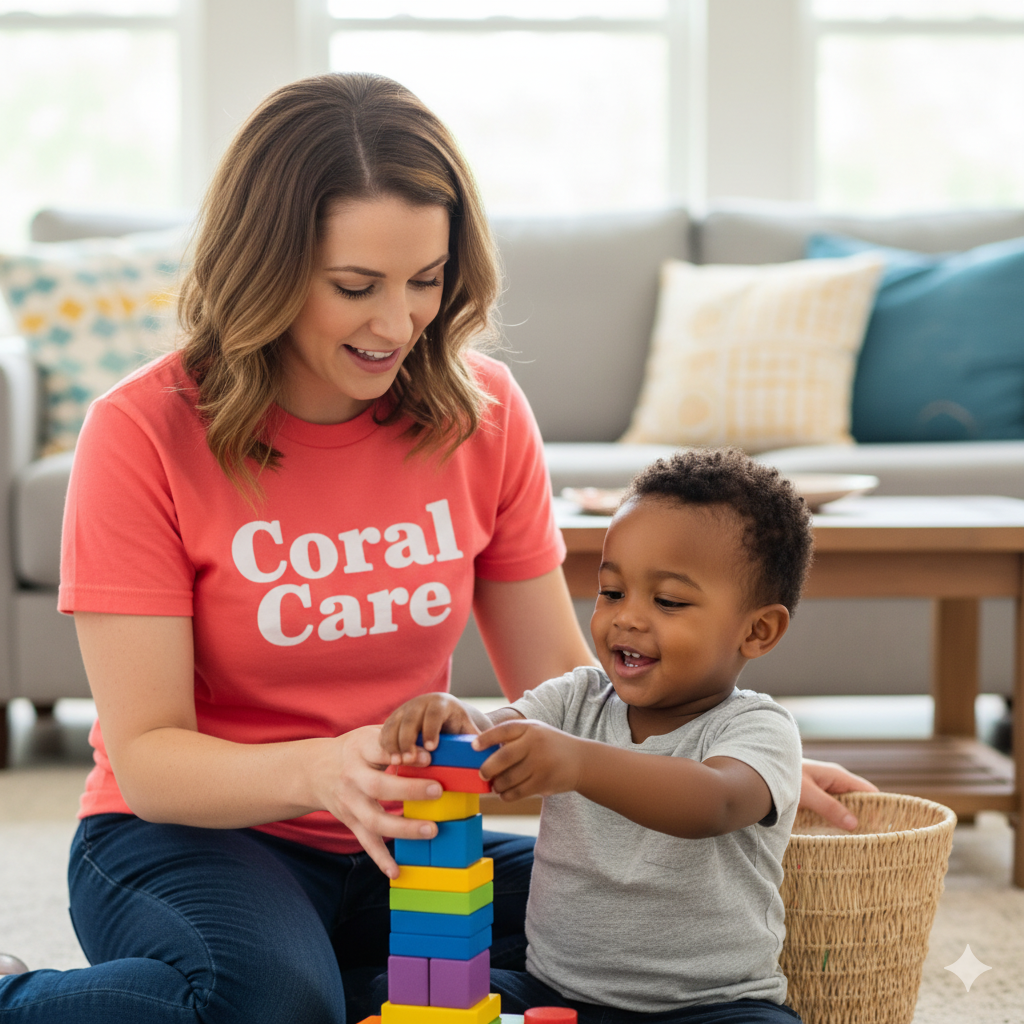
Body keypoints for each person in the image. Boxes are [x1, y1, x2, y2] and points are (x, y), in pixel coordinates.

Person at [0, 74, 873, 1022]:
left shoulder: (481, 414)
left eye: (427, 280)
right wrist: (317, 769)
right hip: (192, 835)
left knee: (650, 916)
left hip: (415, 836)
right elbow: (151, 758)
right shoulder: (144, 432)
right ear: (264, 267)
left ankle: (356, 988)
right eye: (354, 286)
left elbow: (566, 684)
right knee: (270, 1001)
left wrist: (711, 755)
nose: (397, 323)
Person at [378, 448, 821, 1023]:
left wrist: (580, 764)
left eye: (667, 601)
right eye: (612, 592)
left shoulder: (757, 727)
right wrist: (453, 717)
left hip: (709, 1006)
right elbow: (497, 733)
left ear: (758, 630)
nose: (627, 618)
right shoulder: (574, 698)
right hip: (555, 993)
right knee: (389, 996)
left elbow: (715, 801)